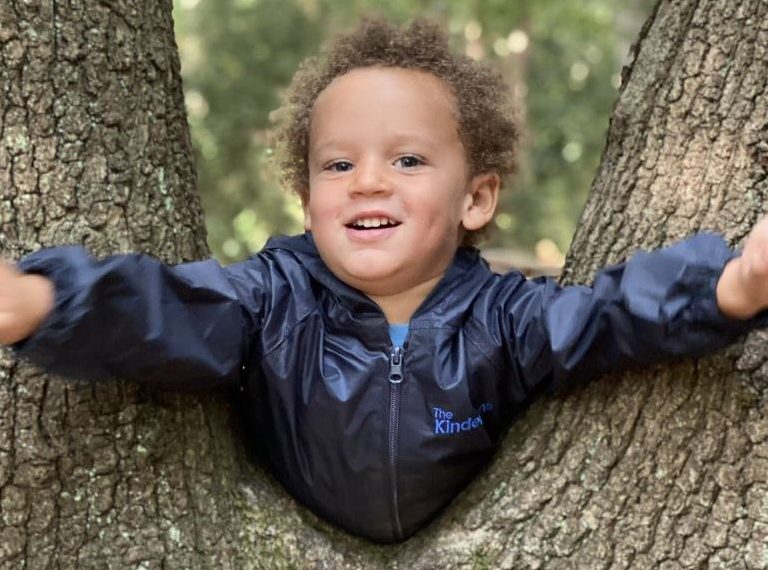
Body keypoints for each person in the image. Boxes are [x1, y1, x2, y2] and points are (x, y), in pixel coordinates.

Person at [1, 19, 767, 543]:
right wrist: (43, 301)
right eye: (338, 164)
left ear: (476, 198)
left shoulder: (504, 315)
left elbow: (608, 315)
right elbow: (166, 312)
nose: (367, 180)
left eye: (407, 160)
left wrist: (731, 287)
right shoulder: (271, 299)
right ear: (308, 200)